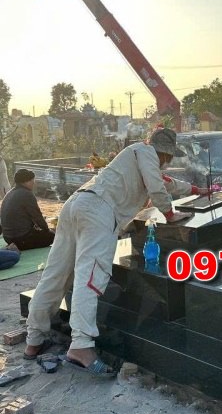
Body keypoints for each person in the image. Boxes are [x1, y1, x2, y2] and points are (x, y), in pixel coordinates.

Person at [24, 128, 212, 375]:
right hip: (98, 211)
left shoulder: (137, 157)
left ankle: (34, 339)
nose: (167, 162)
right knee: (90, 278)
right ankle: (81, 346)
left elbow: (168, 183)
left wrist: (198, 191)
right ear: (165, 152)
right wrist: (169, 213)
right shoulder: (146, 152)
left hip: (77, 205)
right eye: (168, 157)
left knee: (55, 274)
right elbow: (157, 188)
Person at [0, 169, 55, 250]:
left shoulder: (9, 193)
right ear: (26, 181)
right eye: (32, 180)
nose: (34, 183)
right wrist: (47, 230)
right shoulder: (27, 194)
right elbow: (37, 216)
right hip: (21, 239)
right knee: (51, 236)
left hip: (8, 238)